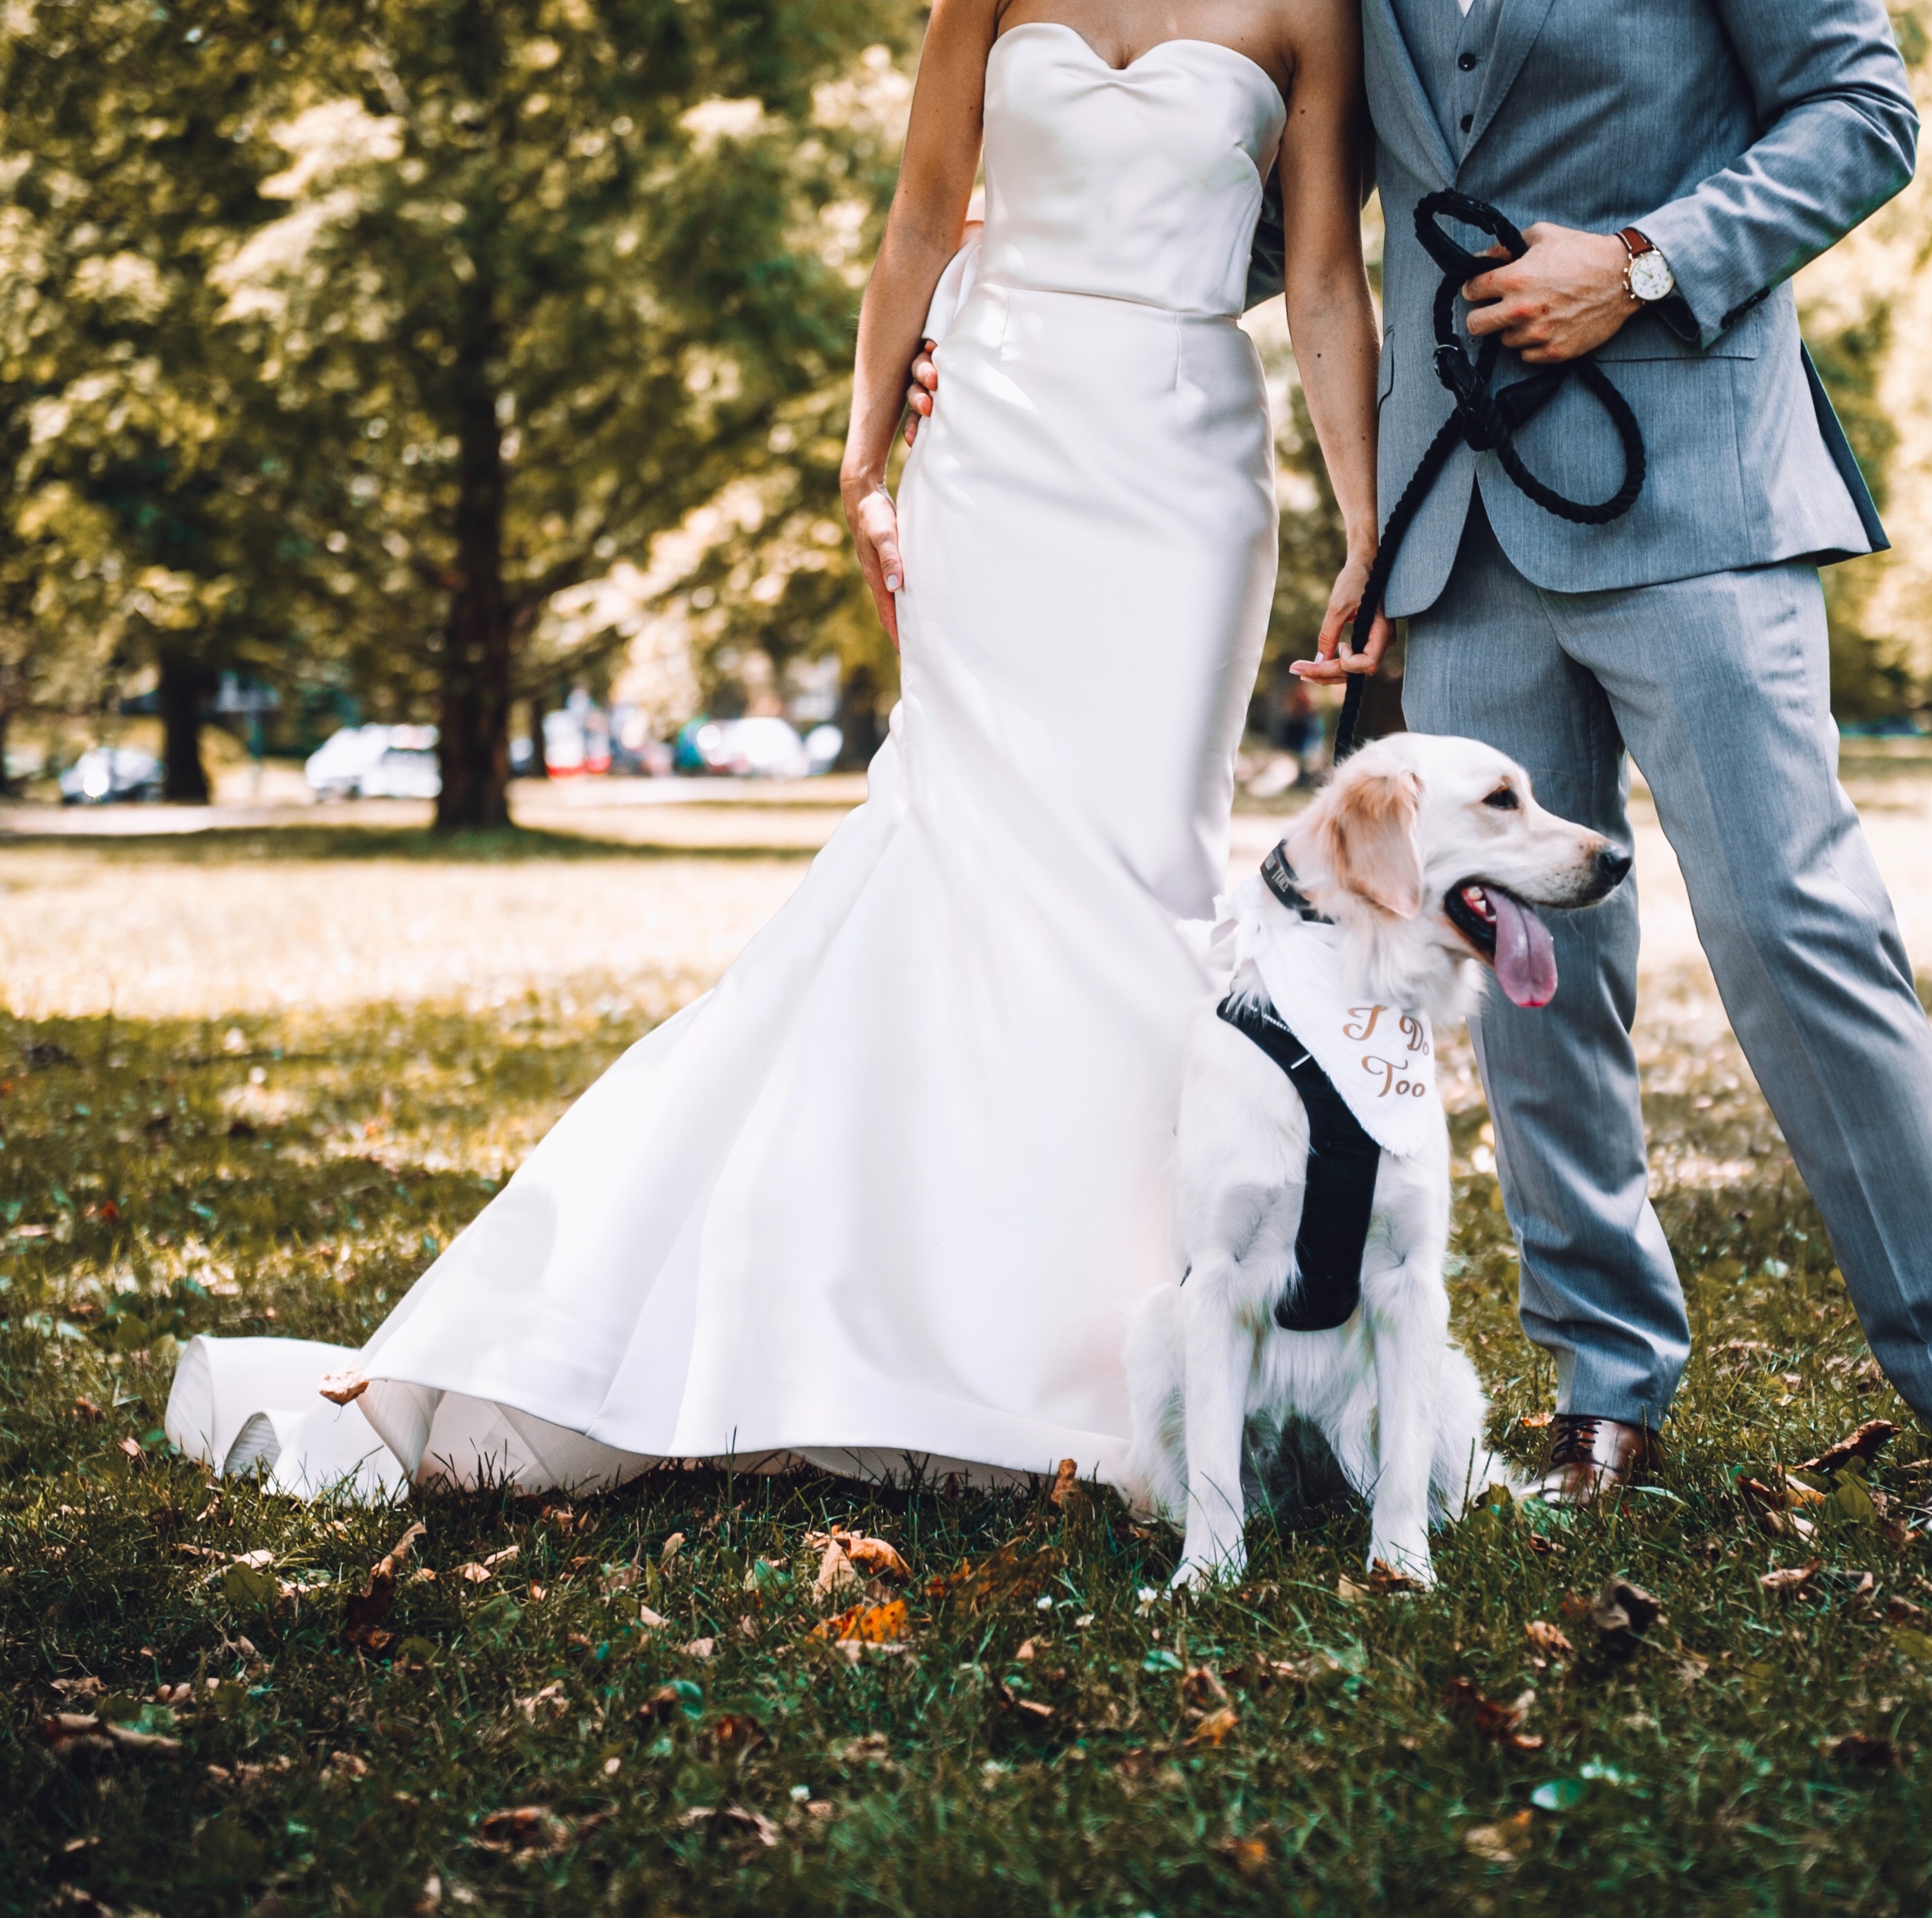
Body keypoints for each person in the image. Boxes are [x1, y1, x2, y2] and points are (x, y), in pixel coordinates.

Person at [165, 0, 1387, 1500]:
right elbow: (919, 217)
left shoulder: (1308, 7)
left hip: (1183, 470)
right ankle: (873, 1311)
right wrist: (863, 459)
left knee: (1144, 869)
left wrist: (1364, 522)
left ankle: (1118, 1336)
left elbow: (1324, 280)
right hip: (993, 443)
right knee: (954, 847)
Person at [912, 0, 1932, 1540]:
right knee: (1519, 984)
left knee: (1793, 933)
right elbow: (1292, 214)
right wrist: (1027, 292)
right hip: (1456, 527)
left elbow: (1861, 115)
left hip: (1697, 493)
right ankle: (1603, 1386)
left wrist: (1639, 261)